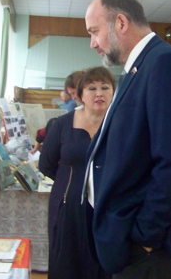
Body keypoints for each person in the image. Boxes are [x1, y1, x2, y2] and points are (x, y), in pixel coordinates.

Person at [82, 0, 171, 278]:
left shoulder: (164, 63)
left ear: (121, 23)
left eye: (95, 32)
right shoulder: (138, 68)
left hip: (151, 249)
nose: (93, 43)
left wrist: (145, 234)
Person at [39, 67, 115, 279]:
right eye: (92, 88)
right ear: (80, 94)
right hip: (68, 206)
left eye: (105, 88)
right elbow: (46, 164)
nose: (99, 93)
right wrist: (69, 182)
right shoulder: (62, 124)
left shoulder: (120, 124)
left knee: (103, 265)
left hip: (108, 207)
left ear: (113, 92)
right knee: (67, 264)